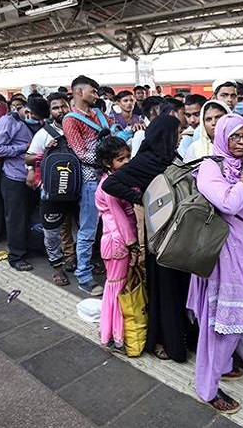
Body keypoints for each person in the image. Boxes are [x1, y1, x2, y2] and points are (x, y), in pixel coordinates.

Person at [187, 114, 243, 414]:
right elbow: (230, 204)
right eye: (235, 136)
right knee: (222, 324)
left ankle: (221, 366)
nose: (242, 142)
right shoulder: (211, 166)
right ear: (221, 137)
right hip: (225, 253)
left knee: (232, 320)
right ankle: (207, 388)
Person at [101, 115, 191, 362]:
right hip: (159, 237)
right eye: (177, 133)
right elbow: (112, 185)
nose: (180, 137)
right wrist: (144, 199)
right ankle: (162, 341)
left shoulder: (170, 157)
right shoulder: (146, 161)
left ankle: (179, 336)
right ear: (165, 135)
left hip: (176, 235)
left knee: (176, 288)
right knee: (162, 290)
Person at [63, 75, 115, 296]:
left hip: (108, 177)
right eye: (92, 91)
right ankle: (83, 276)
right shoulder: (71, 120)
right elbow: (82, 154)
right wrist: (110, 155)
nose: (96, 95)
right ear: (78, 92)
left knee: (111, 228)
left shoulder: (100, 116)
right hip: (90, 181)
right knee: (88, 230)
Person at [25, 92, 78, 284]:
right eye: (55, 107)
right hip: (51, 192)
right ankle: (57, 268)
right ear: (49, 112)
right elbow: (28, 158)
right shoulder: (43, 133)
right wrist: (46, 151)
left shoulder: (79, 129)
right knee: (52, 232)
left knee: (81, 229)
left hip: (77, 191)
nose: (61, 110)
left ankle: (79, 261)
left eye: (64, 106)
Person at [0, 97, 45, 271]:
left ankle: (29, 246)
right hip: (14, 177)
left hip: (36, 178)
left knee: (31, 215)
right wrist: (24, 148)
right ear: (27, 112)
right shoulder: (8, 122)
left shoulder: (41, 123)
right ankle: (16, 256)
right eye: (37, 118)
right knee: (16, 218)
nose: (39, 122)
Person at [94, 137, 139, 354]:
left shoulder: (113, 179)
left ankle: (111, 333)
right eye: (121, 159)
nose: (127, 161)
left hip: (115, 240)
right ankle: (114, 336)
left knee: (115, 287)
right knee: (116, 288)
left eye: (128, 156)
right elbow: (120, 218)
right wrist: (133, 244)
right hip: (118, 242)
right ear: (107, 163)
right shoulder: (109, 185)